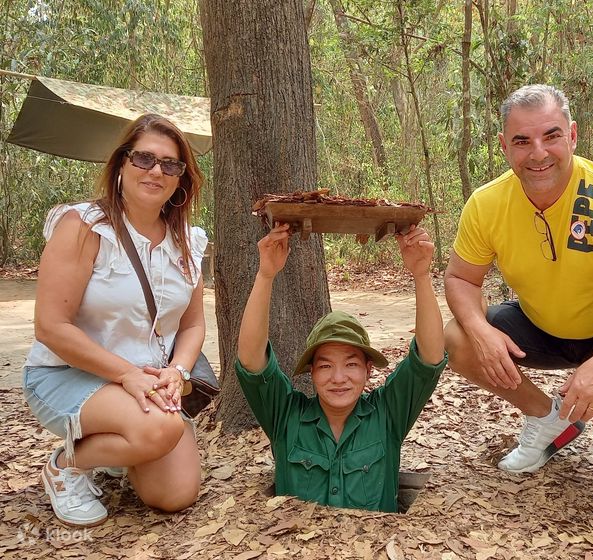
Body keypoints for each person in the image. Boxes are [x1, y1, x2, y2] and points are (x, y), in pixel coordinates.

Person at [444, 84, 593, 506]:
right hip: (539, 324)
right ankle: (547, 419)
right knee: (457, 337)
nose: (538, 153)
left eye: (551, 135)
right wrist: (480, 330)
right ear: (504, 146)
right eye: (522, 141)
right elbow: (461, 279)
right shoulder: (486, 204)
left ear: (572, 135)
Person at [23, 114, 208, 526]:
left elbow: (193, 325)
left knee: (175, 495)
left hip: (147, 382)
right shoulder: (83, 227)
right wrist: (127, 375)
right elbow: (51, 327)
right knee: (160, 431)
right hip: (67, 374)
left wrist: (178, 371)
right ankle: (66, 465)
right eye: (144, 158)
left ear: (181, 179)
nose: (156, 170)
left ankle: (121, 447)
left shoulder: (189, 243)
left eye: (170, 164)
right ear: (121, 164)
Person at [235, 223, 446, 512]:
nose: (338, 378)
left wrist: (421, 275)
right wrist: (266, 275)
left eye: (351, 364)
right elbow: (250, 361)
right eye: (325, 366)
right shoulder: (286, 416)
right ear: (311, 371)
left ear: (368, 370)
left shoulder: (388, 414)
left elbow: (429, 359)